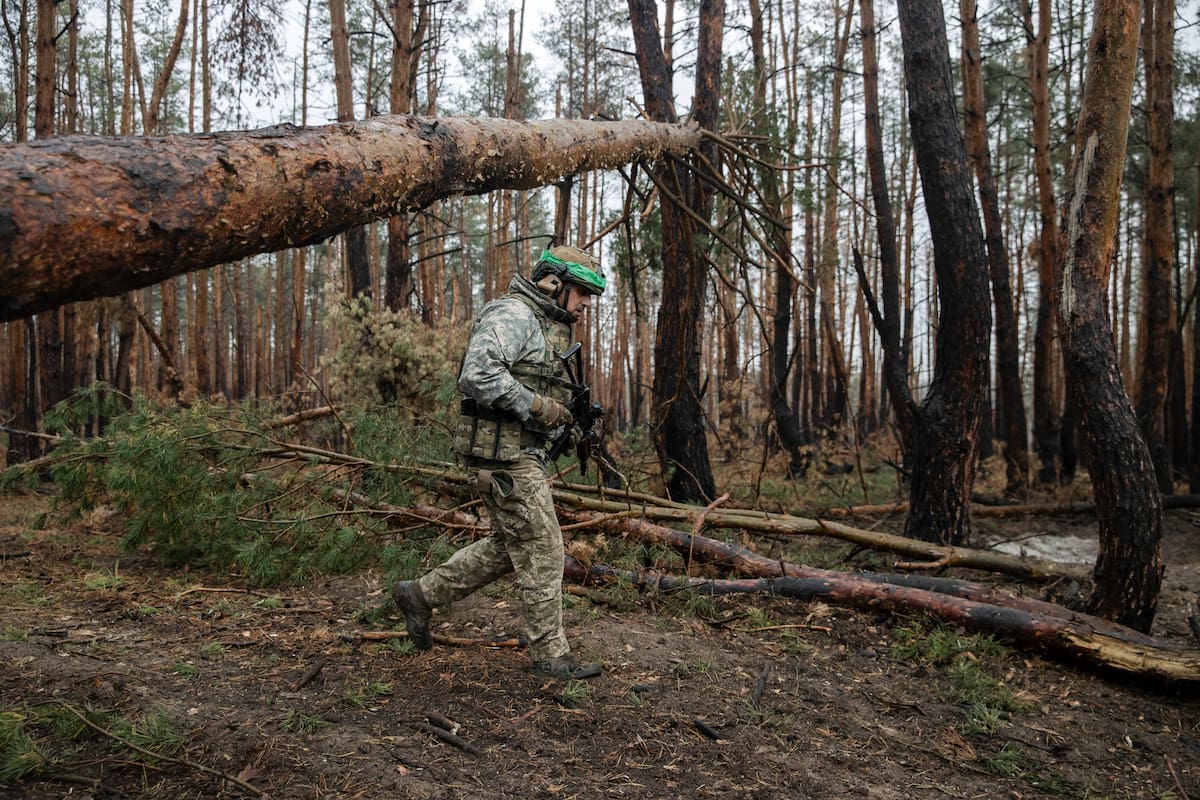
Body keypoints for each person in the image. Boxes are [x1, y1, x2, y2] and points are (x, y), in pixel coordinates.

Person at [392, 245, 606, 680]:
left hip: (517, 452)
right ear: (554, 283)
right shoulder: (514, 314)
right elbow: (477, 374)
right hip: (500, 455)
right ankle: (550, 655)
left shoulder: (545, 324)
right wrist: (540, 407)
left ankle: (419, 595)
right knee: (544, 547)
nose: (586, 303)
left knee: (510, 547)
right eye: (582, 292)